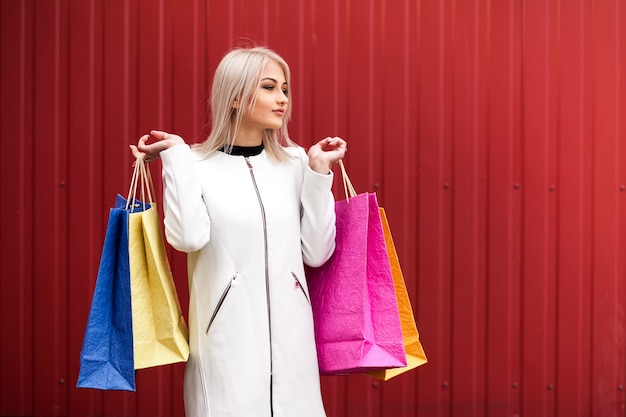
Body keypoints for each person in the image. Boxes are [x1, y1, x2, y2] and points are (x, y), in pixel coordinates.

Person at [131, 46, 347, 417]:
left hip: (294, 347)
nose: (282, 99)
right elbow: (187, 238)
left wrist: (318, 173)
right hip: (225, 346)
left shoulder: (296, 162)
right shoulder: (195, 164)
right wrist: (177, 158)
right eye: (269, 87)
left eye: (285, 89)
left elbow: (316, 251)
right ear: (234, 96)